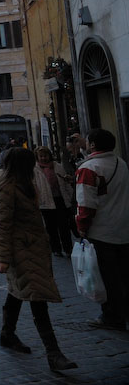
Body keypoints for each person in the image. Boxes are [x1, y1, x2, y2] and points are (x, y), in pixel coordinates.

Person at [0, 148, 78, 373]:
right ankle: (53, 353)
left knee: (17, 291)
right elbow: (2, 224)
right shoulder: (6, 187)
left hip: (34, 246)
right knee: (37, 297)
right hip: (22, 250)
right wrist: (3, 258)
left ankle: (7, 334)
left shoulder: (24, 181)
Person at [75, 128, 129, 331]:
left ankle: (112, 315)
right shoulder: (120, 163)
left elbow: (86, 204)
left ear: (92, 145)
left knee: (108, 276)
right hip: (123, 228)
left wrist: (82, 227)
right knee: (124, 274)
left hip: (102, 231)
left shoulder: (89, 168)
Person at [34, 147, 74, 257]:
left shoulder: (57, 166)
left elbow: (65, 183)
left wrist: (70, 198)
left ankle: (68, 248)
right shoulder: (35, 169)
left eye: (45, 155)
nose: (43, 158)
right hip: (45, 202)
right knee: (50, 227)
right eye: (41, 156)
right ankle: (56, 248)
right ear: (37, 157)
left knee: (64, 226)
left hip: (59, 199)